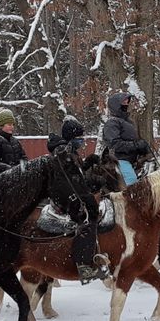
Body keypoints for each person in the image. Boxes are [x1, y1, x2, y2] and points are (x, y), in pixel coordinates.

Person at [48, 115, 111, 284]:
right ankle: (84, 265)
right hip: (64, 198)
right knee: (87, 220)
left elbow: (78, 176)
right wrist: (82, 198)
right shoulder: (63, 154)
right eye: (79, 138)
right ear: (71, 138)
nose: (82, 141)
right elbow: (68, 180)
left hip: (71, 194)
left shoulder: (71, 153)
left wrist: (89, 167)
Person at [101, 92, 152, 185]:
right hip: (119, 160)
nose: (127, 104)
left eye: (127, 102)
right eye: (123, 102)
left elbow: (132, 140)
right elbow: (115, 144)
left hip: (133, 160)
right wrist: (136, 145)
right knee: (133, 186)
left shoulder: (128, 122)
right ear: (116, 105)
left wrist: (143, 149)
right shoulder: (112, 123)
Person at [0, 107, 28, 178]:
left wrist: (23, 167)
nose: (12, 127)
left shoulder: (16, 142)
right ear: (1, 126)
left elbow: (23, 158)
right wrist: (12, 170)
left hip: (16, 180)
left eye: (13, 124)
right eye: (9, 125)